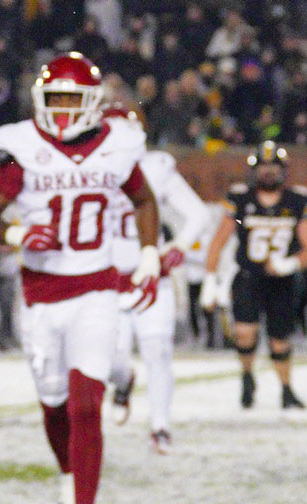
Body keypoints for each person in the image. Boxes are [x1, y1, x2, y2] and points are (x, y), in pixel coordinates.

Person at [0, 52, 162, 504]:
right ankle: (68, 478)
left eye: (72, 99)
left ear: (94, 103)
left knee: (84, 406)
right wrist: (14, 233)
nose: (61, 109)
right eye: (53, 99)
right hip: (40, 297)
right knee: (53, 404)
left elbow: (144, 200)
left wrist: (147, 253)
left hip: (96, 291)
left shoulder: (118, 145)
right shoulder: (23, 148)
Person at [100, 105, 214, 455]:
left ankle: (160, 426)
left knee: (159, 351)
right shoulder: (90, 170)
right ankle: (124, 382)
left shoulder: (156, 168)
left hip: (151, 277)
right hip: (106, 280)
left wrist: (178, 245)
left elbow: (198, 213)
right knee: (110, 359)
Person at [201, 141, 307, 409]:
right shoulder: (241, 202)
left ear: (283, 170)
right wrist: (210, 280)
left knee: (280, 338)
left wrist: (290, 264)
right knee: (245, 333)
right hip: (249, 276)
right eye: (263, 167)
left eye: (273, 167)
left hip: (283, 280)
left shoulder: (297, 201)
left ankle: (286, 389)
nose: (268, 172)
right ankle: (247, 376)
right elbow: (218, 241)